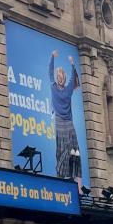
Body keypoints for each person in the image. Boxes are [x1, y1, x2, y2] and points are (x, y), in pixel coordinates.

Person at [49, 50, 82, 188]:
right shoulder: (53, 87)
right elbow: (49, 72)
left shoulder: (68, 89)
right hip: (59, 121)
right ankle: (60, 175)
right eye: (58, 75)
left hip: (68, 122)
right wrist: (52, 58)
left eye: (61, 75)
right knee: (61, 149)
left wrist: (73, 65)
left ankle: (76, 182)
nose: (59, 77)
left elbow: (72, 81)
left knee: (74, 149)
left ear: (64, 77)